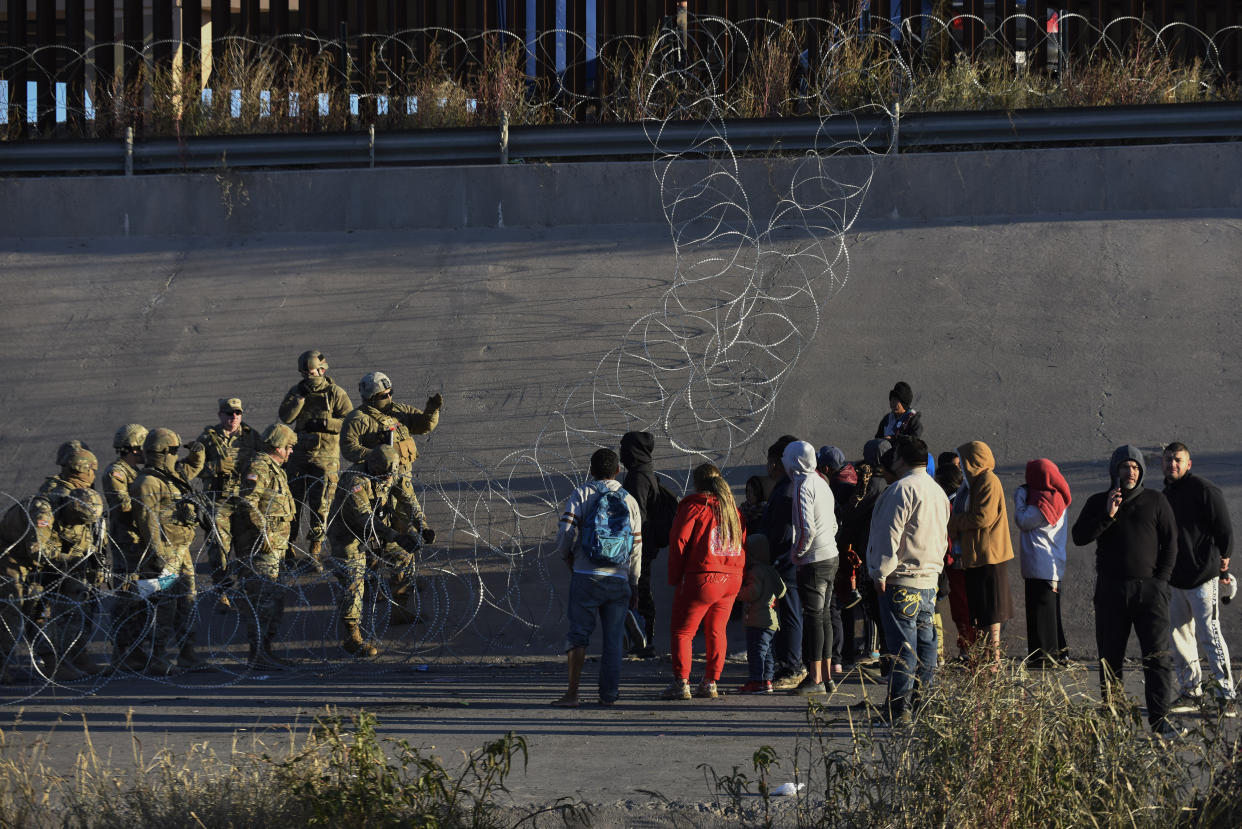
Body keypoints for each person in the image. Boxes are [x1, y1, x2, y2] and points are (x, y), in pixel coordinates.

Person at [1071, 445, 1179, 736]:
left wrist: (1161, 583)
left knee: (1157, 658)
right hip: (1111, 592)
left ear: (1141, 471)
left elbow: (1170, 544)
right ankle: (1112, 718)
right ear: (1114, 470)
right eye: (1124, 467)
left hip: (1150, 594)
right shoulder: (1098, 502)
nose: (1130, 472)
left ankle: (1160, 719)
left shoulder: (1156, 501)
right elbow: (1079, 537)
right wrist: (1108, 515)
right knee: (1110, 658)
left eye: (1135, 467)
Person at [341, 372, 441, 623]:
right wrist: (378, 452)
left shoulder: (400, 411)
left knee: (405, 539)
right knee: (376, 541)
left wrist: (432, 410)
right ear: (371, 397)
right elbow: (349, 449)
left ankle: (400, 592)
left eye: (390, 393)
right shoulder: (358, 420)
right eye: (383, 395)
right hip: (375, 488)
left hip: (400, 483)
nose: (388, 398)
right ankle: (376, 589)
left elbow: (424, 425)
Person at [865, 437, 949, 722]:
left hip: (901, 578)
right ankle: (925, 703)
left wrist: (880, 571)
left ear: (900, 458)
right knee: (926, 645)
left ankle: (899, 708)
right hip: (929, 578)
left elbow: (889, 534)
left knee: (903, 647)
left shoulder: (900, 490)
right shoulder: (937, 491)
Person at [551, 448, 642, 708]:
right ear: (617, 471)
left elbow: (566, 531)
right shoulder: (629, 500)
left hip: (586, 575)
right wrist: (633, 583)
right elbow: (637, 547)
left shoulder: (582, 493)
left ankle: (572, 693)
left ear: (591, 469)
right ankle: (608, 695)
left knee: (579, 634)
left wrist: (567, 556)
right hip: (618, 579)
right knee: (613, 640)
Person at [327, 445, 432, 657]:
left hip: (379, 531)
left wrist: (423, 524)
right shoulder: (355, 482)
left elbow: (408, 498)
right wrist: (395, 536)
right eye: (383, 474)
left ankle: (399, 610)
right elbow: (364, 519)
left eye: (390, 474)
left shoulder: (391, 472)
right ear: (373, 467)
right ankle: (352, 637)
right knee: (353, 583)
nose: (388, 478)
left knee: (403, 557)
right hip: (349, 536)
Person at [1161, 442, 1236, 717]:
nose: (1172, 464)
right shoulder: (1165, 495)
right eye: (1168, 460)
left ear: (1188, 463)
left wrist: (1224, 557)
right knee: (1180, 637)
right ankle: (1191, 691)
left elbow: (1224, 527)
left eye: (1178, 460)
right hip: (1175, 579)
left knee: (1210, 634)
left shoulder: (1204, 490)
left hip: (1203, 577)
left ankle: (1225, 696)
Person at [662, 463, 745, 700]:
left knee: (682, 631)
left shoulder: (695, 507)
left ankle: (682, 682)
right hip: (731, 578)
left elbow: (679, 542)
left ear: (697, 483)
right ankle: (711, 682)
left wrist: (675, 576)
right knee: (717, 631)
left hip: (702, 576)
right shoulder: (734, 511)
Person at [131, 428, 207, 674]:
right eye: (173, 451)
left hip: (181, 550)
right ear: (162, 452)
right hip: (165, 553)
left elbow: (191, 469)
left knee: (187, 601)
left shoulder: (170, 475)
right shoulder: (148, 482)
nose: (176, 455)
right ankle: (158, 657)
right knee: (165, 606)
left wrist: (198, 453)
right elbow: (147, 521)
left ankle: (187, 653)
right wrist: (159, 553)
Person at [279, 350, 354, 569]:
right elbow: (286, 417)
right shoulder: (297, 391)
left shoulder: (335, 393)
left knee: (321, 507)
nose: (308, 377)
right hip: (298, 456)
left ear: (322, 370)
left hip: (325, 458)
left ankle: (314, 551)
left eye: (311, 373)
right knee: (292, 504)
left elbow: (348, 421)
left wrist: (326, 424)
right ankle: (288, 548)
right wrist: (299, 400)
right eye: (304, 373)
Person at [233, 423, 298, 670]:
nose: (291, 452)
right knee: (262, 603)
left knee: (273, 603)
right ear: (278, 446)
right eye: (289, 447)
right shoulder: (259, 467)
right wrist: (266, 535)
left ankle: (266, 652)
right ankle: (258, 655)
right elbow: (248, 503)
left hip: (275, 549)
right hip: (261, 550)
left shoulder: (276, 469)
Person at [948, 440, 1013, 666]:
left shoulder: (988, 481)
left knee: (992, 610)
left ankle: (993, 658)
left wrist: (954, 523)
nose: (960, 467)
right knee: (980, 611)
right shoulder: (971, 484)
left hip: (990, 555)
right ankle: (985, 657)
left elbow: (982, 517)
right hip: (975, 557)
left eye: (963, 461)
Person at [194, 397, 262, 608]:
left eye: (237, 413)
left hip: (243, 500)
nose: (233, 417)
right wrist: (215, 467)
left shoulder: (251, 437)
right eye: (229, 413)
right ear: (220, 415)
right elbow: (192, 469)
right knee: (219, 548)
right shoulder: (207, 439)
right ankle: (222, 590)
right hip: (219, 501)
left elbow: (265, 460)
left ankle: (245, 587)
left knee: (245, 547)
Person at [784, 440, 838, 696]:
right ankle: (827, 676)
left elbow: (806, 528)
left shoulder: (802, 485)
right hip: (831, 555)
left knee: (814, 617)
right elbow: (834, 524)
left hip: (813, 560)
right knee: (824, 615)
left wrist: (797, 553)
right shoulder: (822, 483)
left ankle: (815, 676)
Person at [103, 423, 154, 673]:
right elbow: (123, 506)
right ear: (133, 448)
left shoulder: (137, 473)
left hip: (141, 541)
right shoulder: (117, 473)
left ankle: (136, 649)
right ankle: (122, 653)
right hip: (128, 543)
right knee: (128, 597)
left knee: (142, 597)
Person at [1014, 459, 1071, 669]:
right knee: (1050, 614)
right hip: (1051, 564)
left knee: (1040, 615)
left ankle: (1044, 658)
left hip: (1039, 564)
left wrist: (1020, 497)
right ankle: (1059, 653)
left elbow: (1022, 520)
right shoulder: (1058, 499)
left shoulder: (1042, 503)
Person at [761, 435, 805, 689]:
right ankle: (788, 663)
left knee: (790, 614)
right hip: (785, 560)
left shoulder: (788, 487)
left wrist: (777, 557)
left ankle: (792, 666)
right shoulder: (788, 485)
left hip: (785, 561)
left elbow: (785, 531)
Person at [620, 431, 662, 658]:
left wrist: (634, 548)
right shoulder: (644, 472)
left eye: (624, 448)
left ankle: (644, 641)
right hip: (644, 545)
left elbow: (637, 517)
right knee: (641, 591)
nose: (621, 453)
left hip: (639, 546)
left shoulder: (638, 478)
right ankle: (643, 640)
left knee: (640, 591)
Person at [935, 452, 976, 660]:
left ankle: (968, 649)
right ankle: (967, 648)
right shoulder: (961, 500)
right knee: (962, 608)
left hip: (956, 564)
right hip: (958, 563)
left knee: (962, 608)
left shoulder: (950, 506)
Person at [737, 534, 786, 694]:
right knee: (768, 652)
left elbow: (753, 592)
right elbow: (782, 590)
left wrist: (736, 592)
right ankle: (767, 680)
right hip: (771, 621)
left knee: (756, 652)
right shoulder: (771, 570)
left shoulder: (755, 571)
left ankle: (756, 680)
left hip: (757, 620)